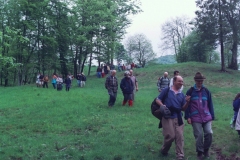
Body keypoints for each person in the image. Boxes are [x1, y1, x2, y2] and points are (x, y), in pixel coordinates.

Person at [156, 76, 190, 160]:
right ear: (174, 81)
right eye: (179, 81)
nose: (181, 83)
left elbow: (183, 108)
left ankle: (180, 155)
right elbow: (157, 99)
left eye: (182, 81)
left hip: (178, 117)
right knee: (170, 136)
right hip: (168, 117)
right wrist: (162, 105)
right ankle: (164, 150)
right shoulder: (167, 90)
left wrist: (188, 102)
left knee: (179, 136)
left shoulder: (182, 94)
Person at [184, 72, 215, 160]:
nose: (200, 82)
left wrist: (212, 116)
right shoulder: (190, 91)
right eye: (198, 81)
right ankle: (200, 152)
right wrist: (188, 117)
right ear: (195, 80)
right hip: (195, 117)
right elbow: (187, 105)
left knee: (209, 132)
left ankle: (206, 150)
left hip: (206, 116)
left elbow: (210, 104)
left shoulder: (206, 91)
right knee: (199, 135)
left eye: (201, 81)